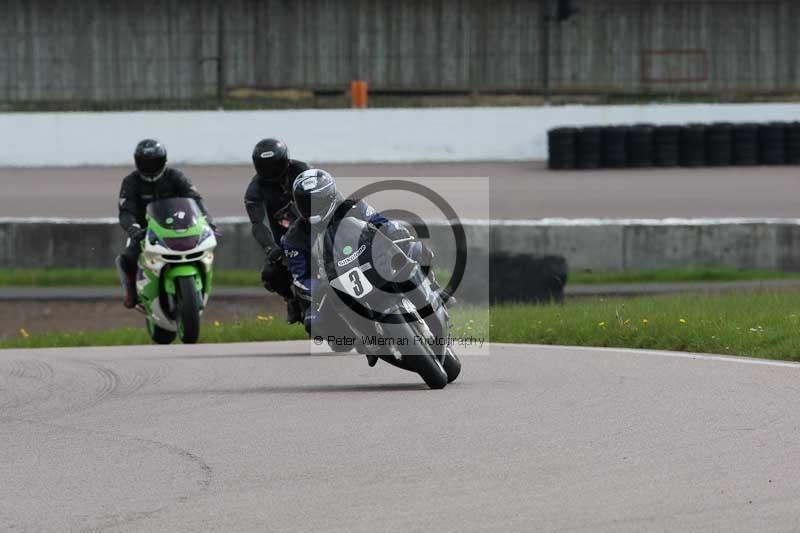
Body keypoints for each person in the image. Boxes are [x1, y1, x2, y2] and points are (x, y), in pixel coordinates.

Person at [282, 169, 417, 366]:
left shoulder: (354, 206)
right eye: (305, 203)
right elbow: (300, 275)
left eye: (316, 201)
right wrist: (315, 288)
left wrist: (394, 233)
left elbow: (380, 222)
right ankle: (368, 339)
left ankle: (433, 292)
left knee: (415, 248)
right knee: (314, 323)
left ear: (330, 196)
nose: (311, 208)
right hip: (335, 279)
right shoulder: (294, 238)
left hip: (371, 259)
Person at [115, 139, 215, 308]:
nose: (150, 166)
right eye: (145, 162)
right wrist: (133, 228)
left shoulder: (176, 177)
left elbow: (195, 200)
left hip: (179, 227)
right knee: (127, 258)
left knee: (204, 246)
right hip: (145, 231)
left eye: (154, 162)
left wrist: (208, 222)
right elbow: (126, 211)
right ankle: (131, 292)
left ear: (163, 160)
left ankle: (202, 281)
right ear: (137, 162)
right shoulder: (130, 182)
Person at [243, 138, 310, 323]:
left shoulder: (302, 170)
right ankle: (291, 299)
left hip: (315, 229)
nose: (271, 171)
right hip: (287, 241)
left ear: (285, 160)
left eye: (275, 165)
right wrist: (270, 248)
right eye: (265, 167)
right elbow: (257, 223)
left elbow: (326, 192)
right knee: (270, 274)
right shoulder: (255, 189)